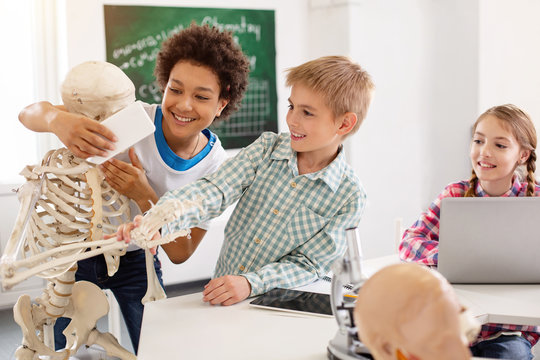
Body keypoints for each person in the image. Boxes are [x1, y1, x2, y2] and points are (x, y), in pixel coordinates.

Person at [18, 24, 249, 353]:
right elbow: (28, 114)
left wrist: (143, 195)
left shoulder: (214, 165)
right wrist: (58, 120)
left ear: (222, 103)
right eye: (175, 89)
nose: (183, 105)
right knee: (54, 346)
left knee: (155, 347)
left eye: (201, 96)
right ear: (164, 85)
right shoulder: (131, 118)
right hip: (79, 255)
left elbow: (180, 252)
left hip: (138, 260)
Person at [115, 55, 374, 306]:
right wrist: (159, 219)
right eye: (292, 106)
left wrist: (250, 283)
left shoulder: (349, 197)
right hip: (223, 294)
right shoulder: (266, 149)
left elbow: (310, 264)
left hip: (281, 305)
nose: (292, 120)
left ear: (344, 124)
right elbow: (214, 191)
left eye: (307, 113)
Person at [399, 104, 540, 359]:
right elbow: (408, 243)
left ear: (522, 156)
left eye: (500, 145)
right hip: (455, 323)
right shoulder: (455, 194)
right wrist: (453, 256)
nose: (484, 152)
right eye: (478, 140)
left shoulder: (536, 200)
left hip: (509, 331)